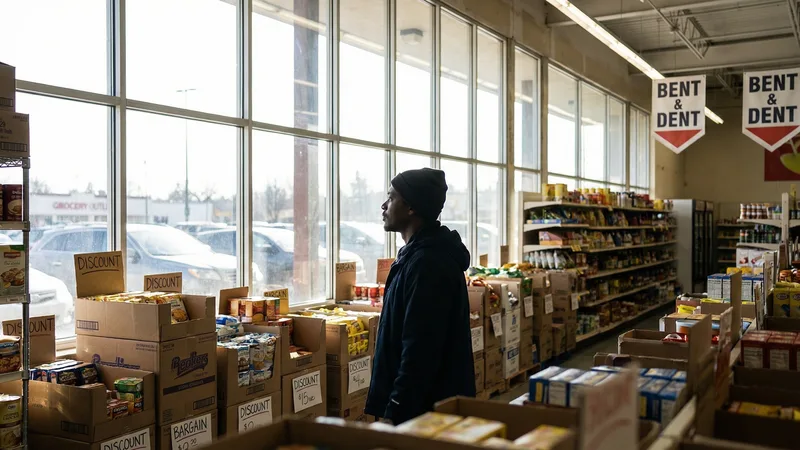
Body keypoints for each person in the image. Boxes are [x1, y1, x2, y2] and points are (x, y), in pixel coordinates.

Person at [365, 167, 476, 425]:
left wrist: (395, 411)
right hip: (421, 407)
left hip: (424, 413)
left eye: (391, 197)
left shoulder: (428, 264)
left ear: (411, 207)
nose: (384, 205)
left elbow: (420, 350)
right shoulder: (416, 256)